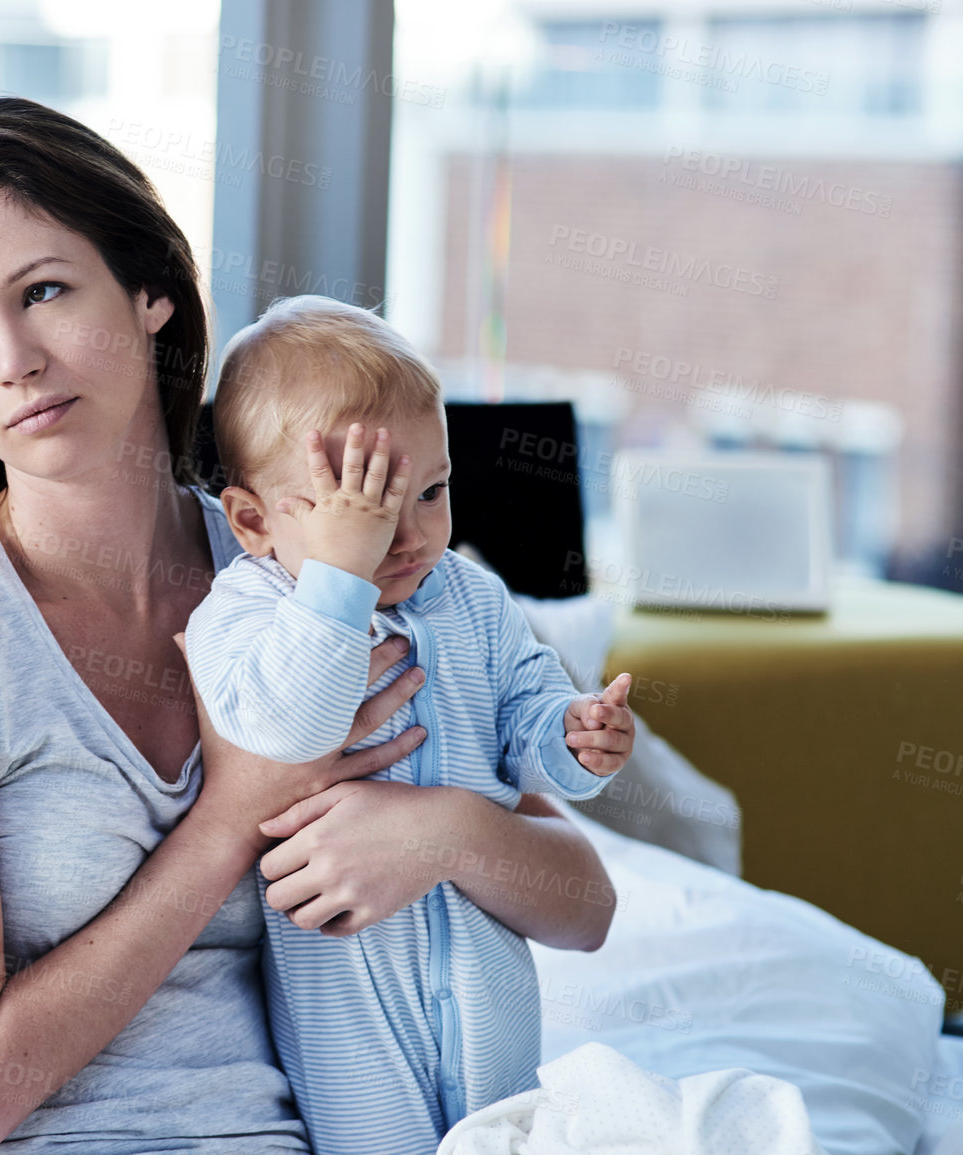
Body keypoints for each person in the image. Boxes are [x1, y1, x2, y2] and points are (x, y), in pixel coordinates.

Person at [0, 95, 616, 1155]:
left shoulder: (307, 571)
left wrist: (443, 832)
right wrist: (231, 820)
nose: (13, 358)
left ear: (150, 292)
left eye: (43, 291)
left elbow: (582, 903)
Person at [183, 295, 637, 1153]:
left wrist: (573, 739)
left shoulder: (471, 595)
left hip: (486, 967)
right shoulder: (247, 609)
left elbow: (522, 721)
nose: (408, 535)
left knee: (502, 1130)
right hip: (348, 1003)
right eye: (361, 514)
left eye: (430, 492)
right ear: (252, 520)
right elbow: (288, 723)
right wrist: (338, 582)